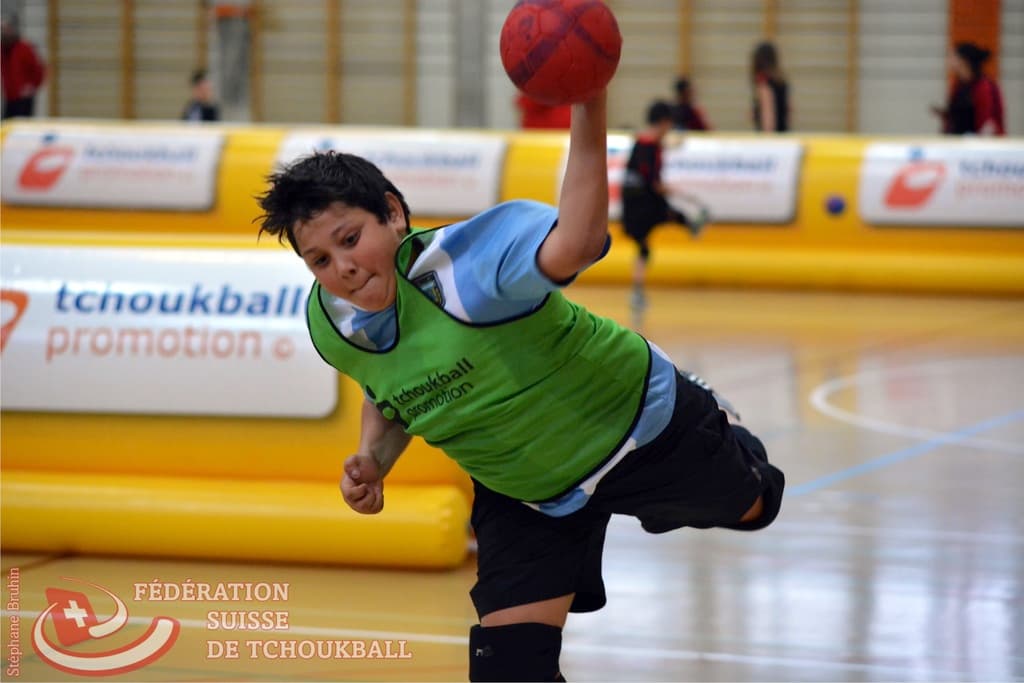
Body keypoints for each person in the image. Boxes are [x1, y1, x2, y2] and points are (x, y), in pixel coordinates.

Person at [256, 89, 784, 683]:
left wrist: (588, 104)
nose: (342, 270)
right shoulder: (333, 324)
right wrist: (374, 458)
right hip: (524, 492)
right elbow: (388, 391)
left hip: (640, 429)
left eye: (350, 240)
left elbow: (577, 242)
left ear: (394, 211)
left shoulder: (469, 266)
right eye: (319, 260)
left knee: (754, 508)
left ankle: (724, 422)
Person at [621, 99, 709, 311]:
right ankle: (691, 224)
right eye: (669, 124)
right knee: (670, 216)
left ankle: (637, 292)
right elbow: (654, 183)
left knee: (643, 248)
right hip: (646, 205)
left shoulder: (641, 144)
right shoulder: (651, 147)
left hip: (633, 205)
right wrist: (677, 192)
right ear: (662, 122)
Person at [931, 42, 1006, 136]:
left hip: (983, 141)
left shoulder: (983, 86)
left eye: (952, 57)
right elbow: (958, 116)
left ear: (963, 60)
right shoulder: (958, 84)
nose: (948, 60)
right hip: (960, 139)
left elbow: (986, 121)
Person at [1, 15, 46, 120]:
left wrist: (32, 86)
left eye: (6, 29)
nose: (3, 33)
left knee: (22, 123)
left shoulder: (24, 48)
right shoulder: (3, 49)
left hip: (23, 97)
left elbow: (38, 69)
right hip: (10, 96)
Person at [751, 41, 789, 132]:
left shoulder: (764, 81)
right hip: (783, 133)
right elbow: (789, 110)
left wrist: (768, 139)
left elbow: (768, 114)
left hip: (771, 138)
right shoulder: (781, 81)